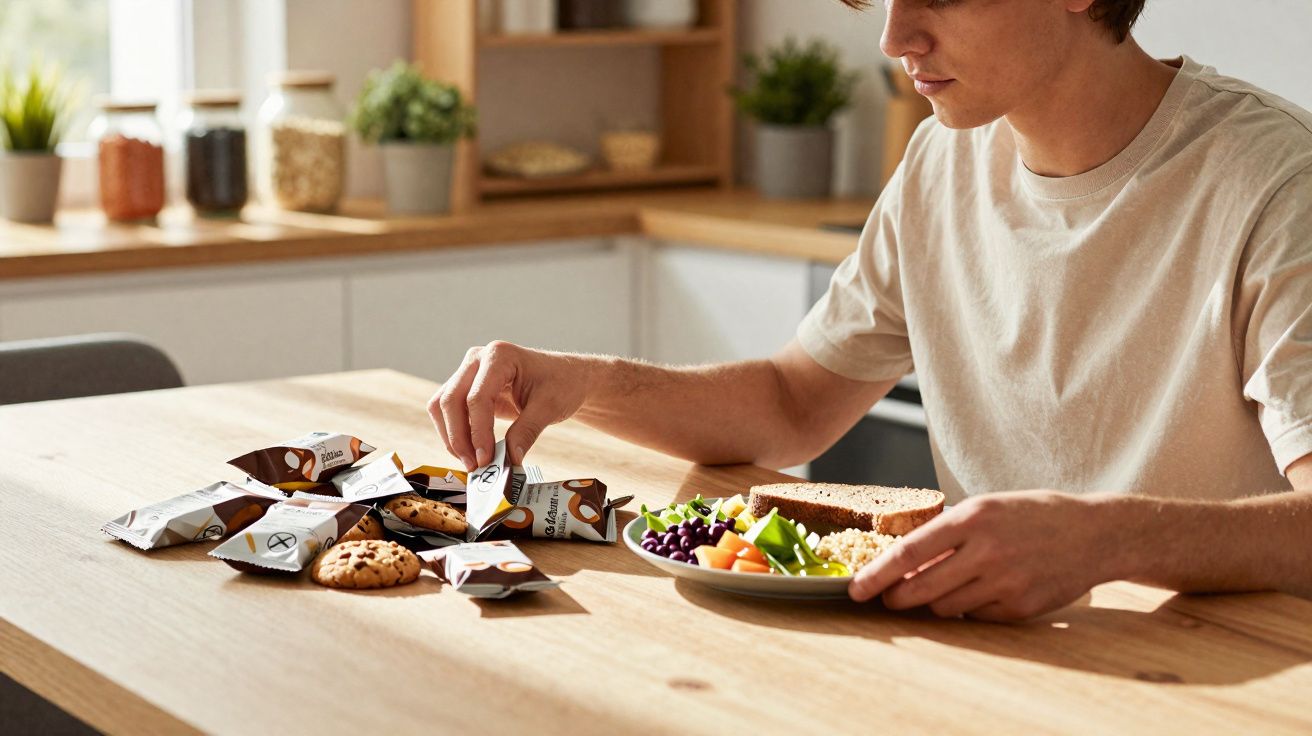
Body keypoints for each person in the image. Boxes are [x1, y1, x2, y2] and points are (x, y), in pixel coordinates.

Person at [430, 0, 1312, 621]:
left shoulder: (1274, 183)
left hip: (1220, 679)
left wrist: (1105, 540)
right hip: (991, 656)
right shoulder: (942, 161)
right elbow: (791, 406)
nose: (895, 36)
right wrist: (586, 381)